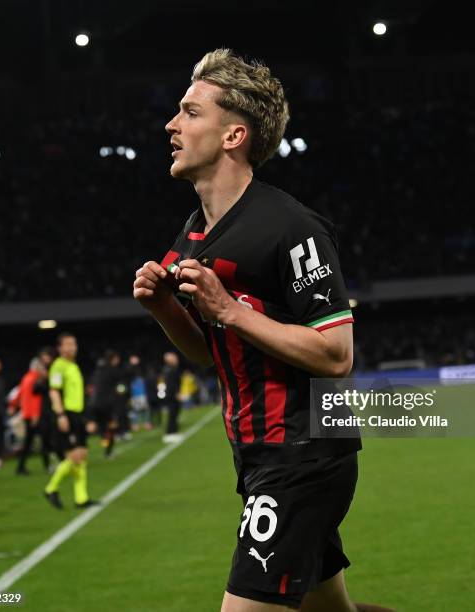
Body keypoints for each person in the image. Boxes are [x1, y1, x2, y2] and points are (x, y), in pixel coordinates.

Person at [133, 49, 392, 612]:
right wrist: (164, 309)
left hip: (301, 456)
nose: (172, 125)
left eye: (190, 112)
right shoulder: (195, 233)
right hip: (253, 454)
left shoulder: (290, 227)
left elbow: (335, 354)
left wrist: (229, 309)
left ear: (233, 136)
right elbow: (209, 357)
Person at [43, 333, 98, 509]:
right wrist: (61, 415)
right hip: (67, 413)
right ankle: (51, 488)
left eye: (73, 343)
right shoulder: (58, 366)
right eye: (67, 344)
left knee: (82, 456)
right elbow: (54, 391)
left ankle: (81, 498)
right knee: (74, 456)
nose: (71, 347)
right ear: (59, 348)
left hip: (78, 414)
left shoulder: (72, 365)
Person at [12, 357, 51, 475]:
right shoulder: (34, 379)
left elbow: (19, 394)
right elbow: (34, 399)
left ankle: (21, 467)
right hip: (34, 415)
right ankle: (48, 465)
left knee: (29, 443)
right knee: (44, 440)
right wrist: (35, 415)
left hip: (27, 414)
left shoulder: (26, 377)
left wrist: (13, 406)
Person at [160, 351, 182, 443]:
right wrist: (176, 394)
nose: (176, 360)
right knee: (172, 414)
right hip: (171, 396)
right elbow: (171, 384)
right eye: (174, 358)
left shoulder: (172, 369)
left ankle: (174, 432)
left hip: (173, 395)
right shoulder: (168, 370)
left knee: (175, 413)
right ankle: (169, 433)